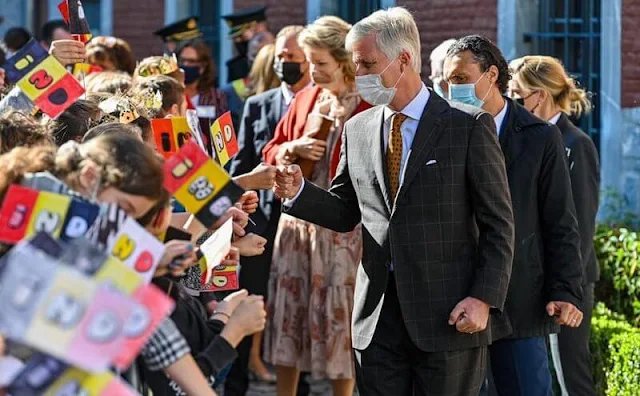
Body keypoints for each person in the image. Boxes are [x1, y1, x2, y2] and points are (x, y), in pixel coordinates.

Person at [273, 8, 515, 396]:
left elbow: (498, 223)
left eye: (369, 64)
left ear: (404, 59)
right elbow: (345, 210)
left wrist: (483, 297)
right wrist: (298, 192)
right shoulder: (359, 129)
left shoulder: (466, 125)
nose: (361, 75)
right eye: (356, 66)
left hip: (448, 318)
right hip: (376, 320)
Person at [444, 35, 584, 396]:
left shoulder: (539, 137)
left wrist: (566, 289)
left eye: (460, 79)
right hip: (456, 302)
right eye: (447, 81)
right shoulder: (443, 132)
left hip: (520, 301)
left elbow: (560, 222)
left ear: (491, 75)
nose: (451, 89)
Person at [263, 16, 376, 396]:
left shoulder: (367, 103)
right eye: (310, 62)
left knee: (338, 319)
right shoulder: (305, 98)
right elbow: (270, 151)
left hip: (344, 231)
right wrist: (289, 150)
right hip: (297, 228)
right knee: (290, 317)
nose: (312, 71)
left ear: (344, 60)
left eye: (321, 63)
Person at [225, 24, 312, 396]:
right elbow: (238, 165)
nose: (284, 63)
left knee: (299, 305)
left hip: (306, 224)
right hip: (260, 224)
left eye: (292, 57)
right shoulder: (257, 105)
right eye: (279, 56)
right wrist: (248, 187)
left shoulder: (323, 105)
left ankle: (302, 383)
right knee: (252, 298)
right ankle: (238, 381)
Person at [509, 55, 599, 396]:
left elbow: (581, 225)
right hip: (535, 281)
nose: (512, 104)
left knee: (571, 378)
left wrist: (565, 288)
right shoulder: (529, 139)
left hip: (568, 283)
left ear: (540, 96)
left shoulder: (577, 144)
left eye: (517, 96)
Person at [178, 39, 229, 153]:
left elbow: (223, 137)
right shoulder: (174, 94)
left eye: (191, 61)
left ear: (202, 66)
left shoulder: (216, 97)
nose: (185, 65)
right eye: (182, 60)